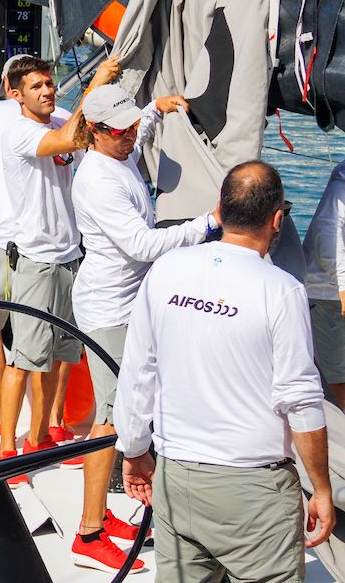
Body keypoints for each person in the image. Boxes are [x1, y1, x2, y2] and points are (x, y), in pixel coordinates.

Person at [116, 161, 334, 582]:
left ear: (221, 208)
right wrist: (321, 488)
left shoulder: (166, 270)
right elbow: (302, 402)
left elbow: (138, 370)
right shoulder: (281, 289)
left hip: (176, 479)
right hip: (253, 493)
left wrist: (134, 449)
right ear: (276, 219)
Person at [68, 84, 217, 573]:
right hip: (108, 310)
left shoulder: (120, 148)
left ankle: (103, 518)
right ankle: (89, 532)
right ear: (95, 131)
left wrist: (157, 110)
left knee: (123, 411)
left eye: (133, 126)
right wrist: (206, 225)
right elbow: (140, 244)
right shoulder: (97, 179)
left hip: (129, 305)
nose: (131, 135)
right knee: (110, 421)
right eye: (121, 130)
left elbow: (138, 130)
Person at [0, 53, 120, 486]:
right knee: (25, 359)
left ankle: (47, 433)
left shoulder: (56, 123)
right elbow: (73, 137)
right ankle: (8, 451)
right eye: (36, 87)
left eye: (49, 83)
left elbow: (85, 134)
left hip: (71, 256)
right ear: (15, 95)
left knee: (65, 354)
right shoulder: (18, 134)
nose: (47, 91)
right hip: (37, 261)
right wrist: (97, 82)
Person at [0, 54, 68, 437]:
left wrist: (0, 200)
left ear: (8, 87)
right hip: (55, 246)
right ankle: (54, 422)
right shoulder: (63, 115)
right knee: (55, 335)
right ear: (23, 89)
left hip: (6, 238)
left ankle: (1, 417)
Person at [302, 160, 345, 407]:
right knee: (336, 378)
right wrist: (343, 285)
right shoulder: (341, 188)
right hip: (328, 293)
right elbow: (328, 233)